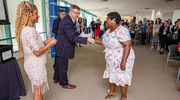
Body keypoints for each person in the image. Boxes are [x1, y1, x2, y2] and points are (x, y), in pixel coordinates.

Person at [15, 1, 57, 100]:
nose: (38, 16)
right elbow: (37, 52)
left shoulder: (28, 29)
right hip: (35, 65)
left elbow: (35, 46)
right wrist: (50, 44)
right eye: (36, 13)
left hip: (34, 64)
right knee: (38, 92)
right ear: (30, 14)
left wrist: (46, 42)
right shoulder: (29, 31)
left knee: (38, 90)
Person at [95, 12, 135, 100]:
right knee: (112, 74)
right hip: (111, 58)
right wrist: (93, 41)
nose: (105, 21)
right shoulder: (108, 31)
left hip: (122, 57)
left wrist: (123, 61)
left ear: (113, 20)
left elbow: (127, 45)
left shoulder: (122, 30)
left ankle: (124, 97)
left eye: (107, 19)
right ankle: (112, 92)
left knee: (122, 76)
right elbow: (104, 42)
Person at [54, 5, 95, 89]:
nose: (77, 15)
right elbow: (72, 37)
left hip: (61, 45)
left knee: (59, 63)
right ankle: (64, 83)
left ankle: (56, 78)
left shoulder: (69, 20)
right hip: (63, 46)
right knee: (63, 66)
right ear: (70, 12)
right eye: (76, 13)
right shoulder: (67, 21)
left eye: (78, 13)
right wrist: (87, 39)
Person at [52, 10, 66, 83]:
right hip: (58, 41)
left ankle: (58, 74)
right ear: (60, 15)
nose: (64, 15)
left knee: (62, 57)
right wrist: (61, 32)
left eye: (65, 14)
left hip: (65, 42)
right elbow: (53, 30)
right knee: (58, 55)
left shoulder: (67, 21)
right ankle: (56, 68)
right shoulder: (56, 21)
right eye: (62, 14)